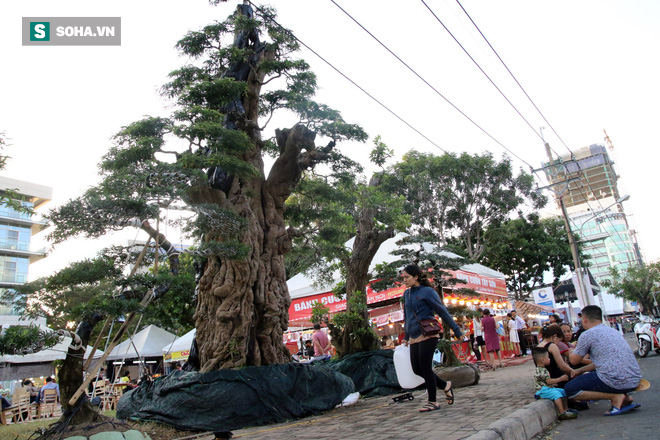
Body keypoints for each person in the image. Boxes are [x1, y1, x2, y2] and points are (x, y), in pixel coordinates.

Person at [401, 264, 462, 412]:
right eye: (403, 278)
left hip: (429, 334)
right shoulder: (406, 294)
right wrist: (406, 336)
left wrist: (457, 330)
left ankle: (433, 401)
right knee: (416, 369)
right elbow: (407, 316)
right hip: (414, 335)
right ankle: (445, 385)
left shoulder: (428, 292)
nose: (404, 280)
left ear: (416, 277)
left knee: (425, 367)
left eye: (407, 277)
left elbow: (442, 311)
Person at [566, 305, 642, 416]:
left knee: (570, 389)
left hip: (615, 380)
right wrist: (580, 371)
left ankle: (615, 397)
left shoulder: (587, 334)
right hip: (634, 379)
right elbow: (604, 362)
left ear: (585, 319)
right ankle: (625, 397)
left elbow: (574, 361)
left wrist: (570, 351)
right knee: (603, 374)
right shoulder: (613, 331)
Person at [532, 346, 578, 420]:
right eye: (548, 357)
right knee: (557, 394)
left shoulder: (543, 369)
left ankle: (566, 409)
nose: (549, 359)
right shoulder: (541, 370)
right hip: (542, 390)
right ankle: (562, 412)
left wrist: (553, 384)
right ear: (542, 360)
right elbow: (548, 381)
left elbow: (545, 381)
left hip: (547, 388)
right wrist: (560, 379)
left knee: (563, 391)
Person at [536, 324, 574, 388]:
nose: (558, 343)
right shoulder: (552, 346)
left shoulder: (537, 347)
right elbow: (563, 367)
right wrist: (575, 372)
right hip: (557, 379)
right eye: (559, 340)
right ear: (555, 336)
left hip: (544, 380)